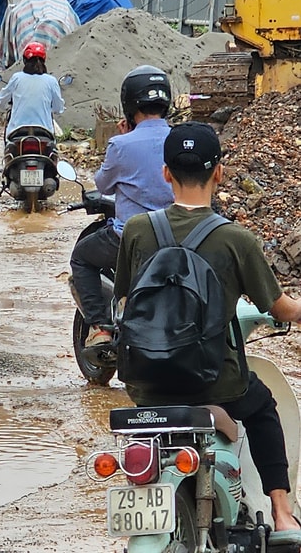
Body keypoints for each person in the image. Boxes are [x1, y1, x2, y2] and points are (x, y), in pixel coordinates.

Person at [114, 121, 301, 534]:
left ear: (166, 172)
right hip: (217, 385)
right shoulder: (236, 239)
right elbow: (282, 309)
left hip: (147, 383)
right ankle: (282, 512)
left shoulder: (137, 230)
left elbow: (124, 300)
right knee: (263, 407)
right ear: (218, 172)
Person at [70, 65, 175, 352]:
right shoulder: (180, 140)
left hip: (130, 239)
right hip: (182, 235)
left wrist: (122, 139)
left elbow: (102, 185)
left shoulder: (121, 144)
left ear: (129, 105)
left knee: (81, 258)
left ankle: (100, 327)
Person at [0, 42, 64, 139]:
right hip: (45, 133)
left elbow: (1, 100)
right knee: (53, 152)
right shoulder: (51, 81)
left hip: (17, 132)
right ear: (44, 60)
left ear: (24, 61)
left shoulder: (17, 78)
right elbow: (58, 107)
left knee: (9, 152)